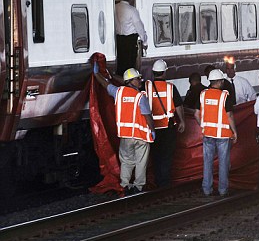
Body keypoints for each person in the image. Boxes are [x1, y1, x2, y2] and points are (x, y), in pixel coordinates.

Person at [93, 65, 155, 195]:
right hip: (140, 136)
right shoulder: (140, 97)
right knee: (140, 162)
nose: (140, 81)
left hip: (125, 136)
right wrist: (152, 130)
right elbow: (147, 116)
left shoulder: (118, 92)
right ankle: (138, 187)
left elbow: (105, 84)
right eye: (137, 79)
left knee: (126, 161)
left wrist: (96, 74)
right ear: (130, 81)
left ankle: (125, 184)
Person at [194, 69, 237, 197]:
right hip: (223, 135)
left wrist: (203, 125)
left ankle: (207, 189)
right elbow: (229, 115)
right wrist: (234, 131)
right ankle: (222, 190)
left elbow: (196, 113)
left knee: (207, 162)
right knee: (223, 163)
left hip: (208, 134)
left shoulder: (203, 94)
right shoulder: (225, 95)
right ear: (219, 82)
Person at [145, 59, 186, 187]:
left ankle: (158, 181)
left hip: (152, 128)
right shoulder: (170, 88)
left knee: (155, 155)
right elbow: (179, 106)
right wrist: (182, 121)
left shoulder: (146, 87)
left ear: (153, 73)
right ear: (164, 73)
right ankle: (164, 183)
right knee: (166, 156)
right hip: (168, 127)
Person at [115, 0, 148, 76]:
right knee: (129, 67)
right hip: (130, 41)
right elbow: (139, 27)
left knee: (120, 65)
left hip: (118, 40)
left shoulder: (114, 7)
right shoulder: (132, 10)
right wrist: (144, 42)